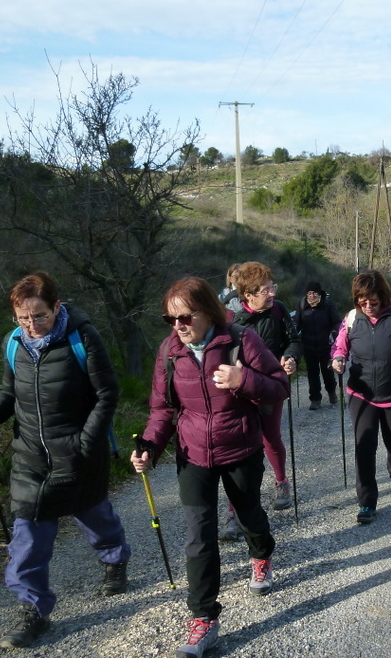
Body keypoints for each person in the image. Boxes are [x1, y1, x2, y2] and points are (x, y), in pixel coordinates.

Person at [0, 272, 131, 650]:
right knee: (28, 535)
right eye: (23, 318)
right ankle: (33, 608)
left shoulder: (81, 337)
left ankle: (115, 559)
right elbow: (9, 395)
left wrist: (85, 442)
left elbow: (107, 394)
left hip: (79, 452)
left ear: (57, 307)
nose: (32, 325)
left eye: (39, 316)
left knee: (94, 514)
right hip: (31, 458)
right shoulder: (14, 343)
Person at [131, 276, 288, 658]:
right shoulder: (170, 352)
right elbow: (163, 409)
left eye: (185, 317)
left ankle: (262, 554)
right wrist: (150, 446)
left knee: (249, 515)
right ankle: (204, 620)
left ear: (207, 312)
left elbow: (279, 384)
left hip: (240, 447)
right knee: (199, 536)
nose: (178, 326)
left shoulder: (240, 341)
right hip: (193, 452)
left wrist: (243, 379)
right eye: (171, 319)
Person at [331, 270, 391, 524]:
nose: (368, 306)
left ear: (383, 298)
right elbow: (339, 346)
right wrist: (338, 359)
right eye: (362, 302)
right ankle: (366, 502)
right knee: (364, 446)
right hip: (360, 393)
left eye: (373, 302)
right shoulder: (352, 318)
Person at [230, 262, 302, 514]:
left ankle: (281, 482)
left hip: (271, 387)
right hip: (242, 390)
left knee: (270, 437)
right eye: (265, 290)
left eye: (273, 288)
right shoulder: (233, 320)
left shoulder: (279, 310)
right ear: (248, 295)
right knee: (240, 446)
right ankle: (235, 506)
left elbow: (293, 341)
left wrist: (290, 358)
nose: (272, 294)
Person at [293, 280, 340, 411]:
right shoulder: (302, 305)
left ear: (319, 294)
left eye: (314, 293)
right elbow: (297, 322)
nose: (312, 296)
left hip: (326, 345)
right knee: (312, 374)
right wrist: (294, 331)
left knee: (327, 372)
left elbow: (336, 321)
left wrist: (336, 335)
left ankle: (332, 393)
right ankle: (315, 399)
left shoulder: (327, 304)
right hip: (308, 345)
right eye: (309, 293)